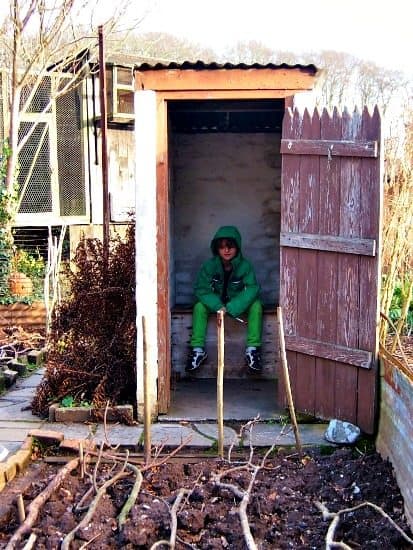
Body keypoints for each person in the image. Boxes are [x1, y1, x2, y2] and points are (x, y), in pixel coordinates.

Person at [186, 225, 263, 373]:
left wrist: (233, 307)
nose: (226, 250)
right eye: (222, 247)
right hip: (217, 304)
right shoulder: (209, 266)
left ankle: (253, 350)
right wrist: (217, 306)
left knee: (257, 305)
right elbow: (202, 289)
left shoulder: (245, 266)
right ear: (217, 249)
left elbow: (252, 288)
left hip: (237, 305)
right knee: (199, 307)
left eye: (230, 246)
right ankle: (197, 350)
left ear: (237, 247)